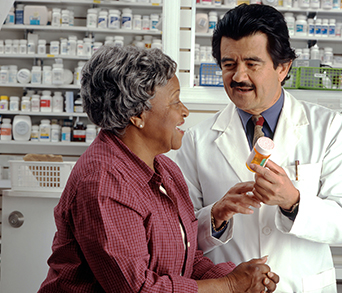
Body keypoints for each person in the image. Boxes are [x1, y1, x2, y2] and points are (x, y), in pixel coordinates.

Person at [38, 46, 280, 292]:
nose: (184, 111)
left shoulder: (165, 169)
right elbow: (139, 288)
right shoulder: (103, 182)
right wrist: (230, 285)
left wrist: (240, 276)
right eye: (174, 101)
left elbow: (185, 258)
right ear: (137, 115)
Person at [175, 4, 342, 293]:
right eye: (228, 64)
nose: (238, 76)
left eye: (252, 63)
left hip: (300, 285)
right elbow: (179, 233)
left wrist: (293, 201)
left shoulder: (328, 127)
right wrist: (215, 216)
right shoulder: (197, 140)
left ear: (282, 67)